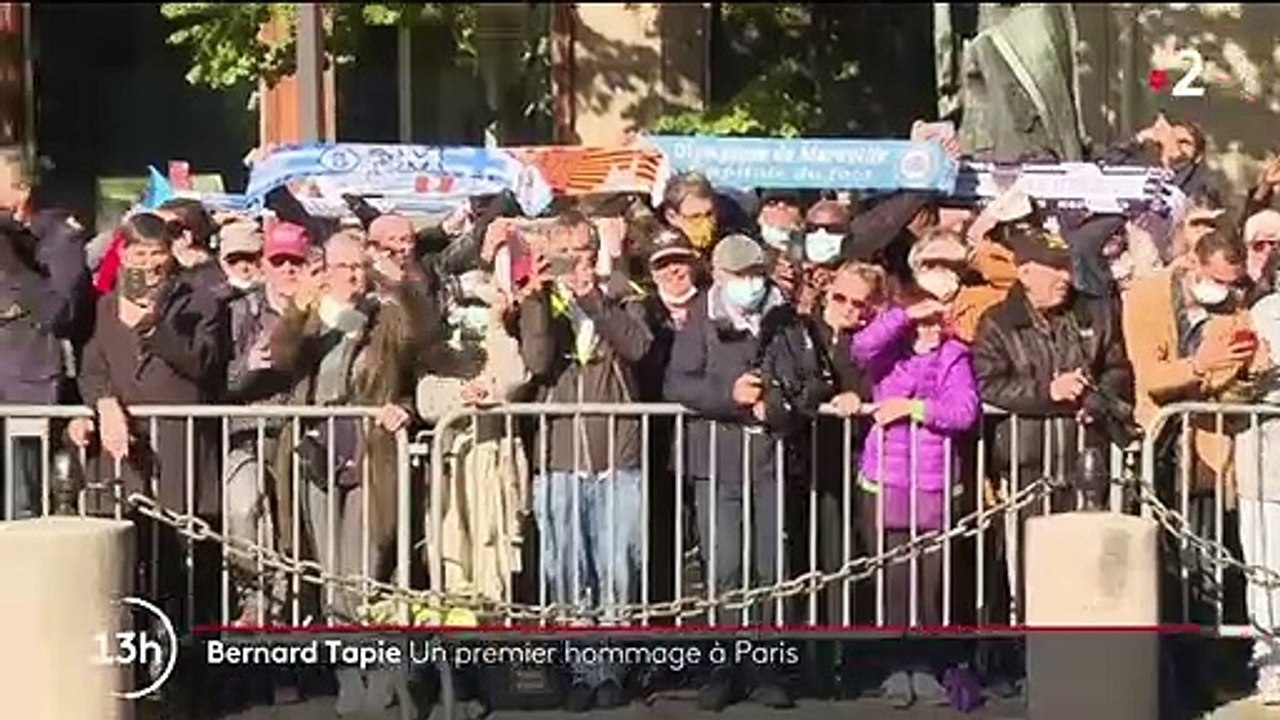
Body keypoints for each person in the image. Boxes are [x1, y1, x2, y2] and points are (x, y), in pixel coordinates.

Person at [665, 233, 834, 711]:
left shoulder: (787, 319)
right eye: (740, 275)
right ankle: (723, 667)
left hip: (771, 458)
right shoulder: (701, 318)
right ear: (718, 275)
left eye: (756, 274)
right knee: (725, 567)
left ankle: (767, 669)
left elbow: (811, 383)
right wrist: (730, 396)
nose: (750, 284)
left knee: (769, 567)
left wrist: (776, 409)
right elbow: (677, 381)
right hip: (716, 460)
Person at [268, 229, 423, 717]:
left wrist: (403, 407)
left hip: (369, 453)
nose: (354, 276)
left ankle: (376, 673)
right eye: (344, 267)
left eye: (360, 266)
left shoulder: (386, 317)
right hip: (315, 453)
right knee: (332, 573)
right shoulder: (311, 319)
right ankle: (347, 676)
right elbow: (282, 359)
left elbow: (416, 363)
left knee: (364, 566)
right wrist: (300, 312)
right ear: (325, 270)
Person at [513, 210, 652, 711]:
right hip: (560, 454)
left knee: (618, 566)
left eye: (585, 253)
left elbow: (637, 346)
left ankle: (612, 670)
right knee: (567, 567)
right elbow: (537, 363)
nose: (577, 264)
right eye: (567, 254)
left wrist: (593, 295)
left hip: (618, 449)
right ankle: (577, 668)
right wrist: (537, 299)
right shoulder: (540, 301)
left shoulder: (623, 293)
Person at [70, 212, 223, 638]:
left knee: (180, 562)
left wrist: (155, 327)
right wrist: (102, 404)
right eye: (139, 254)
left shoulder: (201, 299)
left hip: (180, 445)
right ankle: (131, 655)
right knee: (126, 557)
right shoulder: (103, 305)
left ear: (170, 254)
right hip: (121, 450)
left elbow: (203, 365)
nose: (149, 264)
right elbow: (91, 369)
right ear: (124, 254)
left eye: (157, 254)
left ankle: (183, 660)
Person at [850, 284, 981, 708]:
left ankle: (924, 663)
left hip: (934, 481)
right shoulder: (888, 355)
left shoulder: (955, 356)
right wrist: (905, 315)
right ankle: (893, 666)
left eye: (933, 320)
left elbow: (964, 411)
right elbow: (861, 346)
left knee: (931, 578)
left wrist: (914, 409)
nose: (928, 328)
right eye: (920, 321)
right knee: (891, 575)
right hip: (885, 478)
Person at [0, 152, 89, 518]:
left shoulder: (59, 237)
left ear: (20, 190)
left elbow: (61, 312)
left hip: (26, 386)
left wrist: (13, 266)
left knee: (21, 502)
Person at [661, 172, 720, 254]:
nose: (706, 224)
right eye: (695, 217)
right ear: (672, 217)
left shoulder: (724, 240)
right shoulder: (666, 255)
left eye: (709, 214)